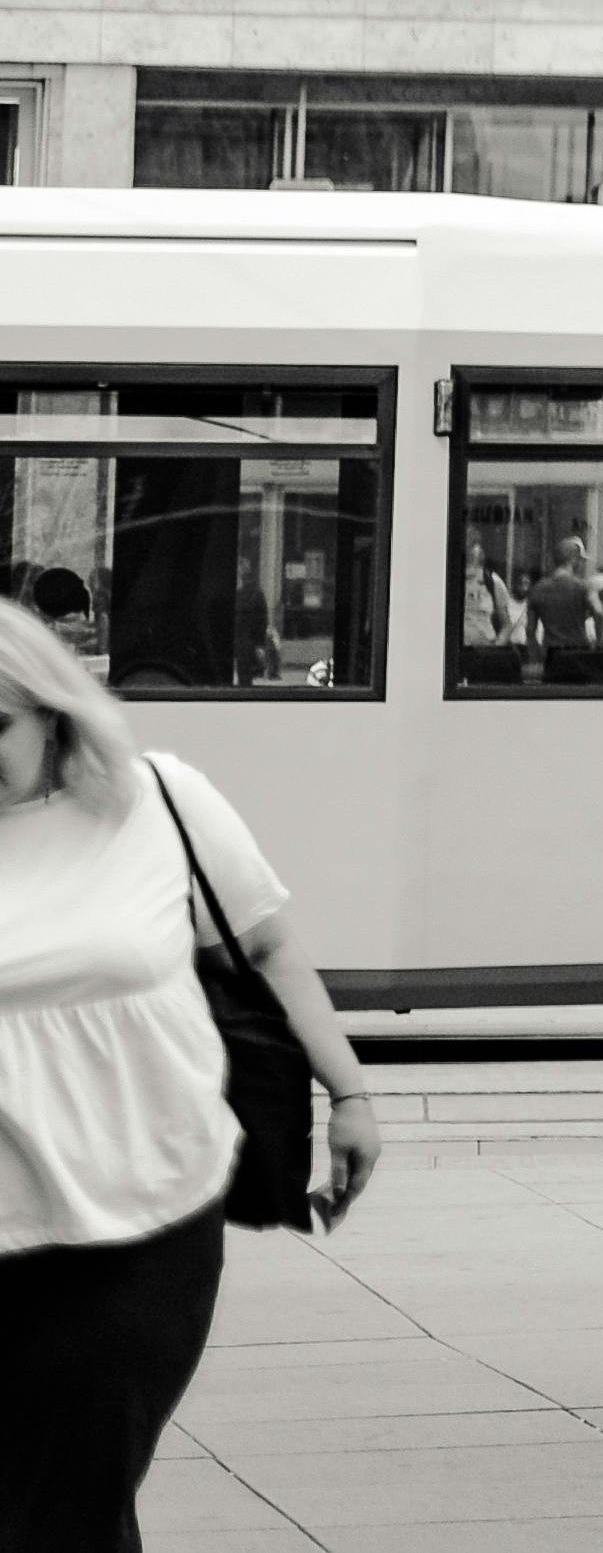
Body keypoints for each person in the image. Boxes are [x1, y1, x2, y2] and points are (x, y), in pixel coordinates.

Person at [0, 598, 389, 1553]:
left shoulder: (158, 801)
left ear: (51, 709)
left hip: (144, 1226)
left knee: (66, 1509)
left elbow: (268, 948)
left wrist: (350, 1093)